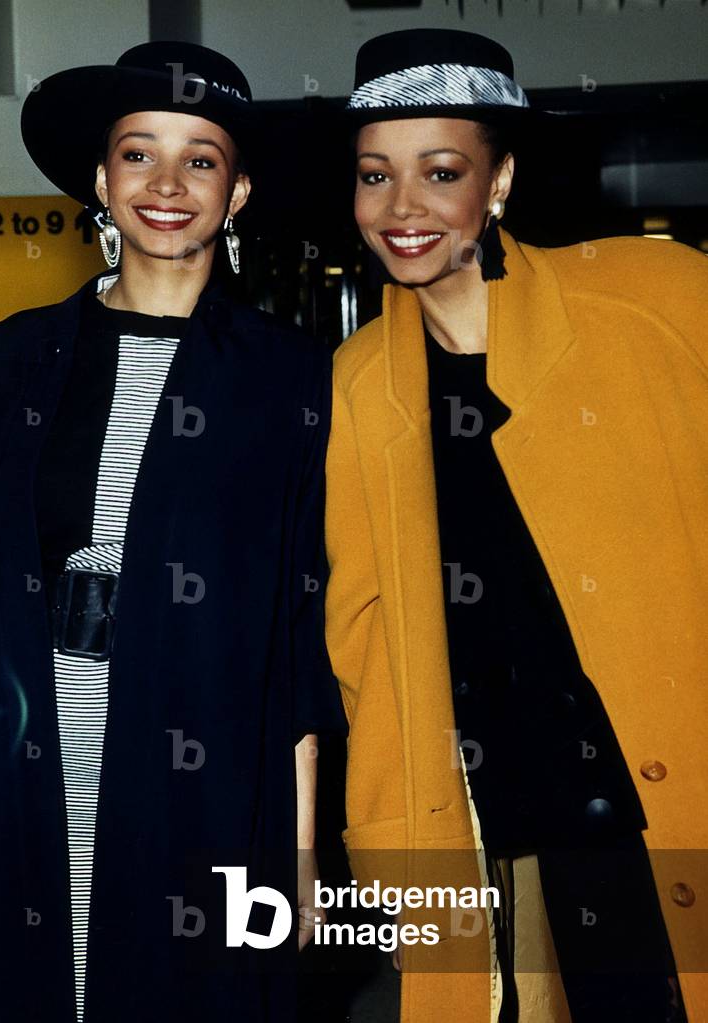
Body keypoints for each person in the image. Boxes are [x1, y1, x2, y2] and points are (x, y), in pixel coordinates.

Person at [0, 41, 345, 1023]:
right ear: (100, 177)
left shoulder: (293, 386)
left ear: (239, 191)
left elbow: (301, 640)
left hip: (201, 782)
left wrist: (300, 853)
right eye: (139, 153)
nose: (167, 184)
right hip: (10, 772)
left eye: (201, 158)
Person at [325, 27, 707, 1023]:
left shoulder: (658, 300)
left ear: (495, 181)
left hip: (670, 795)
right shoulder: (359, 381)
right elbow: (361, 632)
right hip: (504, 828)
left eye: (437, 170)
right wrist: (389, 833)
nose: (400, 208)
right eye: (374, 176)